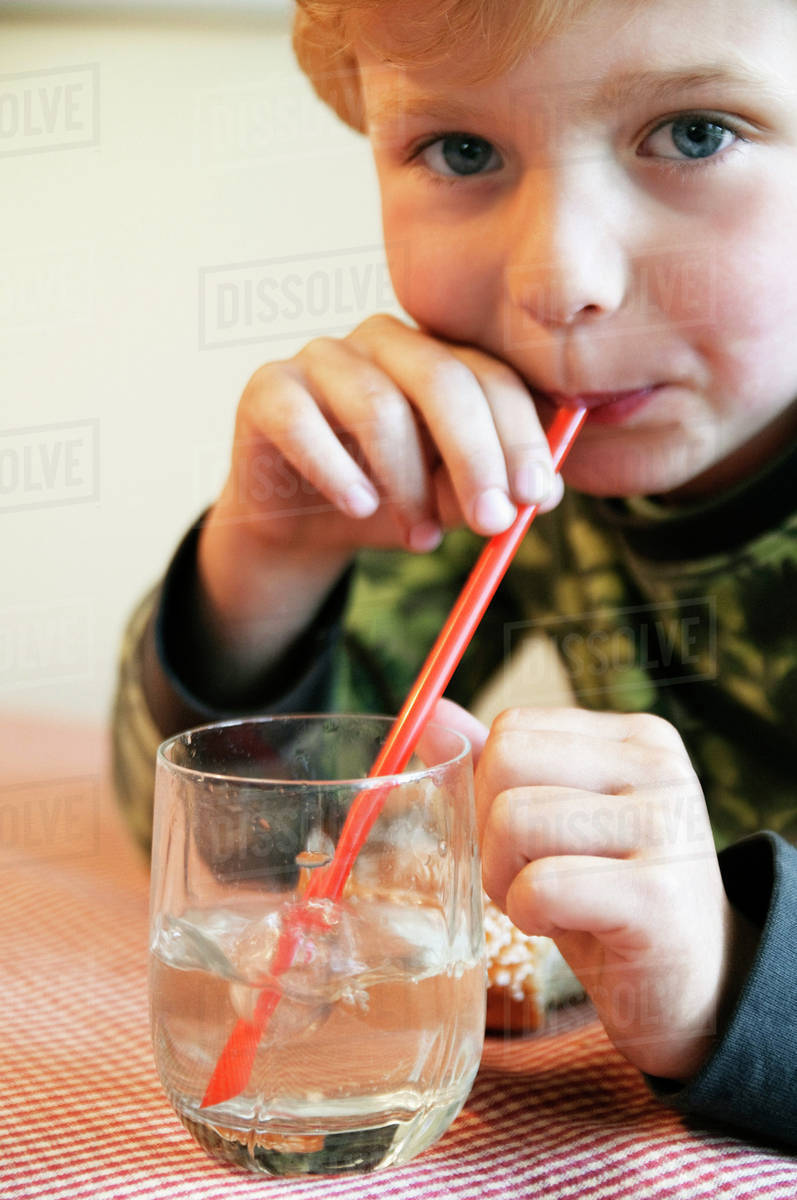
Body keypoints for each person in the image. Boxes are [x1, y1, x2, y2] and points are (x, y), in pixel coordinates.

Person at [113, 0, 797, 1146]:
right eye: (461, 150)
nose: (558, 279)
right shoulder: (509, 463)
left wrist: (733, 976)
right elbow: (225, 859)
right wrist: (270, 557)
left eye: (692, 133)